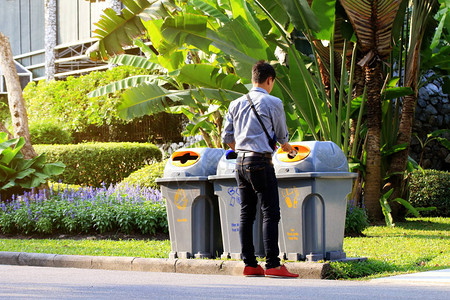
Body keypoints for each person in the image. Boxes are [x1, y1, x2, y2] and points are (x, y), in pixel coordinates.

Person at [222, 60, 299, 278]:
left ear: (253, 78)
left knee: (247, 213)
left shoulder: (236, 103)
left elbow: (227, 137)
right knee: (270, 212)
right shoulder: (273, 102)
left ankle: (250, 264)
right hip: (261, 162)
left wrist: (243, 151)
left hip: (240, 163)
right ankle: (273, 264)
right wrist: (290, 151)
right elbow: (283, 137)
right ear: (269, 80)